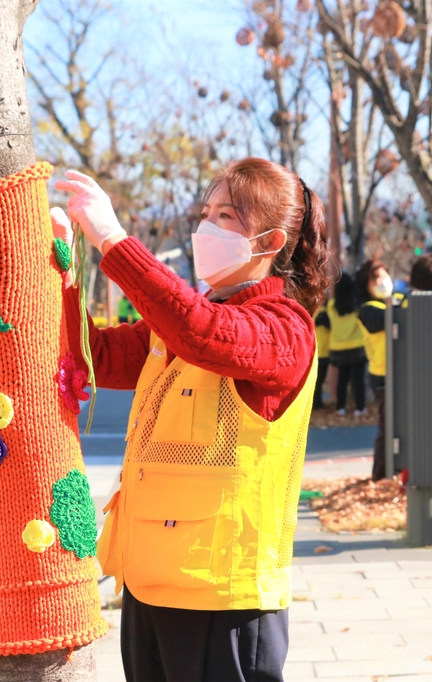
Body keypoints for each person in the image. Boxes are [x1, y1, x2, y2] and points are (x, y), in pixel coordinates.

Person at [54, 158, 330, 682]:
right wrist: (61, 266)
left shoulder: (284, 327)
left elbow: (203, 332)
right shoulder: (180, 320)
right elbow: (97, 355)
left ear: (271, 242)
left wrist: (113, 238)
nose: (207, 227)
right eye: (206, 212)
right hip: (148, 581)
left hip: (223, 595)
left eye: (227, 216)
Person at [355, 259, 392, 480]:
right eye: (376, 278)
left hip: (395, 373)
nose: (382, 281)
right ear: (365, 285)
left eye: (385, 276)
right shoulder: (368, 310)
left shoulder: (389, 303)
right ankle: (380, 477)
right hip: (382, 376)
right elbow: (385, 320)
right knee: (388, 429)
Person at [328, 272, 367, 417]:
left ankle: (340, 407)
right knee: (358, 380)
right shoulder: (357, 306)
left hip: (338, 347)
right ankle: (360, 407)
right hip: (357, 346)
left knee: (342, 380)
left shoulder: (332, 306)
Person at [313, 305, 331, 409]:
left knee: (318, 381)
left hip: (318, 350)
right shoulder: (322, 313)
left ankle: (317, 402)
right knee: (319, 380)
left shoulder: (314, 311)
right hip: (322, 351)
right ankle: (317, 403)